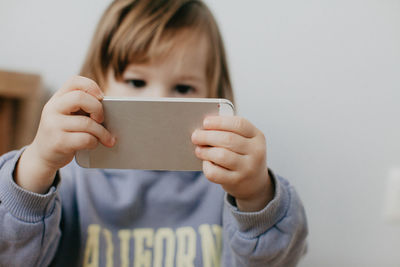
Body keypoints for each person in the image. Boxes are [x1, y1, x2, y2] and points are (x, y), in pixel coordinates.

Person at [0, 0, 308, 266]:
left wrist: (256, 196)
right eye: (136, 82)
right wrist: (37, 164)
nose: (159, 101)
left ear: (214, 96)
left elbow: (279, 260)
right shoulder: (69, 180)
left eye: (184, 88)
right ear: (96, 84)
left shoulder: (227, 187)